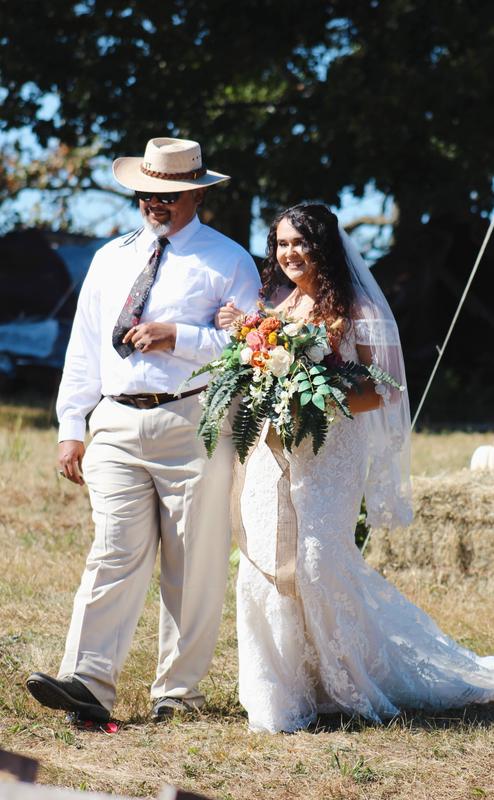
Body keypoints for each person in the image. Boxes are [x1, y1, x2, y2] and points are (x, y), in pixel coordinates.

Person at [215, 203, 494, 733]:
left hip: (328, 457)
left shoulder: (358, 311)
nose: (290, 253)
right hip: (272, 458)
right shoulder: (273, 311)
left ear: (325, 247)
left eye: (301, 243)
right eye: (281, 244)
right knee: (263, 569)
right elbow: (253, 373)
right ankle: (280, 692)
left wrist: (310, 397)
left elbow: (380, 392)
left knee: (317, 563)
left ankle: (344, 679)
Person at [26, 136, 261, 724]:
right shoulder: (109, 258)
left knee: (194, 562)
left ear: (197, 193)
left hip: (195, 422)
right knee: (113, 552)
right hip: (114, 421)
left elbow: (250, 347)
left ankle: (178, 695)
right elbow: (82, 347)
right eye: (147, 191)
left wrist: (177, 336)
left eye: (169, 194)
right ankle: (88, 682)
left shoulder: (229, 260)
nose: (155, 202)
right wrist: (70, 426)